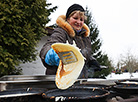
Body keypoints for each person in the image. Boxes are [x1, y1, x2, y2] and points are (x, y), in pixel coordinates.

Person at [40, 4, 100, 78]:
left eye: (81, 19)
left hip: (78, 79)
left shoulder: (85, 37)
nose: (79, 22)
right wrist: (53, 54)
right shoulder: (61, 32)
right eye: (75, 18)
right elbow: (47, 48)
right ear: (68, 19)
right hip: (59, 80)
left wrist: (91, 60)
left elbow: (83, 54)